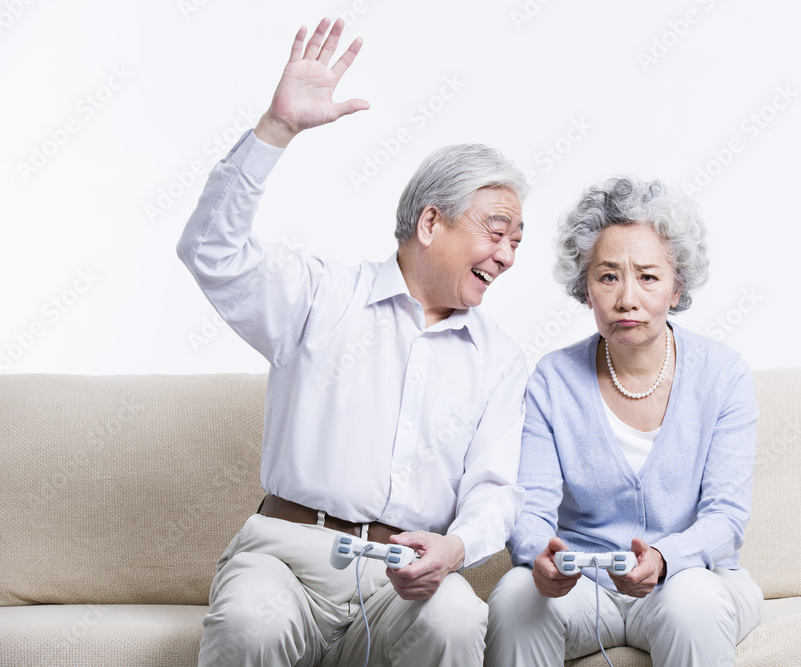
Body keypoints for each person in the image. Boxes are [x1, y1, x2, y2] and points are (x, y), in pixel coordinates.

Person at [177, 18, 529, 667]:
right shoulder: (318, 295)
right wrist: (275, 131)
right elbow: (210, 251)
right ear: (431, 222)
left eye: (517, 240)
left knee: (457, 617)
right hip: (288, 556)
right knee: (251, 623)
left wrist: (457, 547)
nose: (507, 255)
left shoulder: (501, 360)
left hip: (404, 576)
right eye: (496, 232)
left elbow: (498, 487)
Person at [484, 177, 763, 666]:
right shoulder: (553, 379)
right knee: (515, 596)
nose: (627, 298)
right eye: (608, 276)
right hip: (586, 587)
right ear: (585, 288)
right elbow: (532, 509)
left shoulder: (723, 374)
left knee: (690, 604)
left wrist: (664, 559)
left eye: (649, 277)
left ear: (677, 288)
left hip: (690, 579)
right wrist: (540, 557)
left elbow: (726, 516)